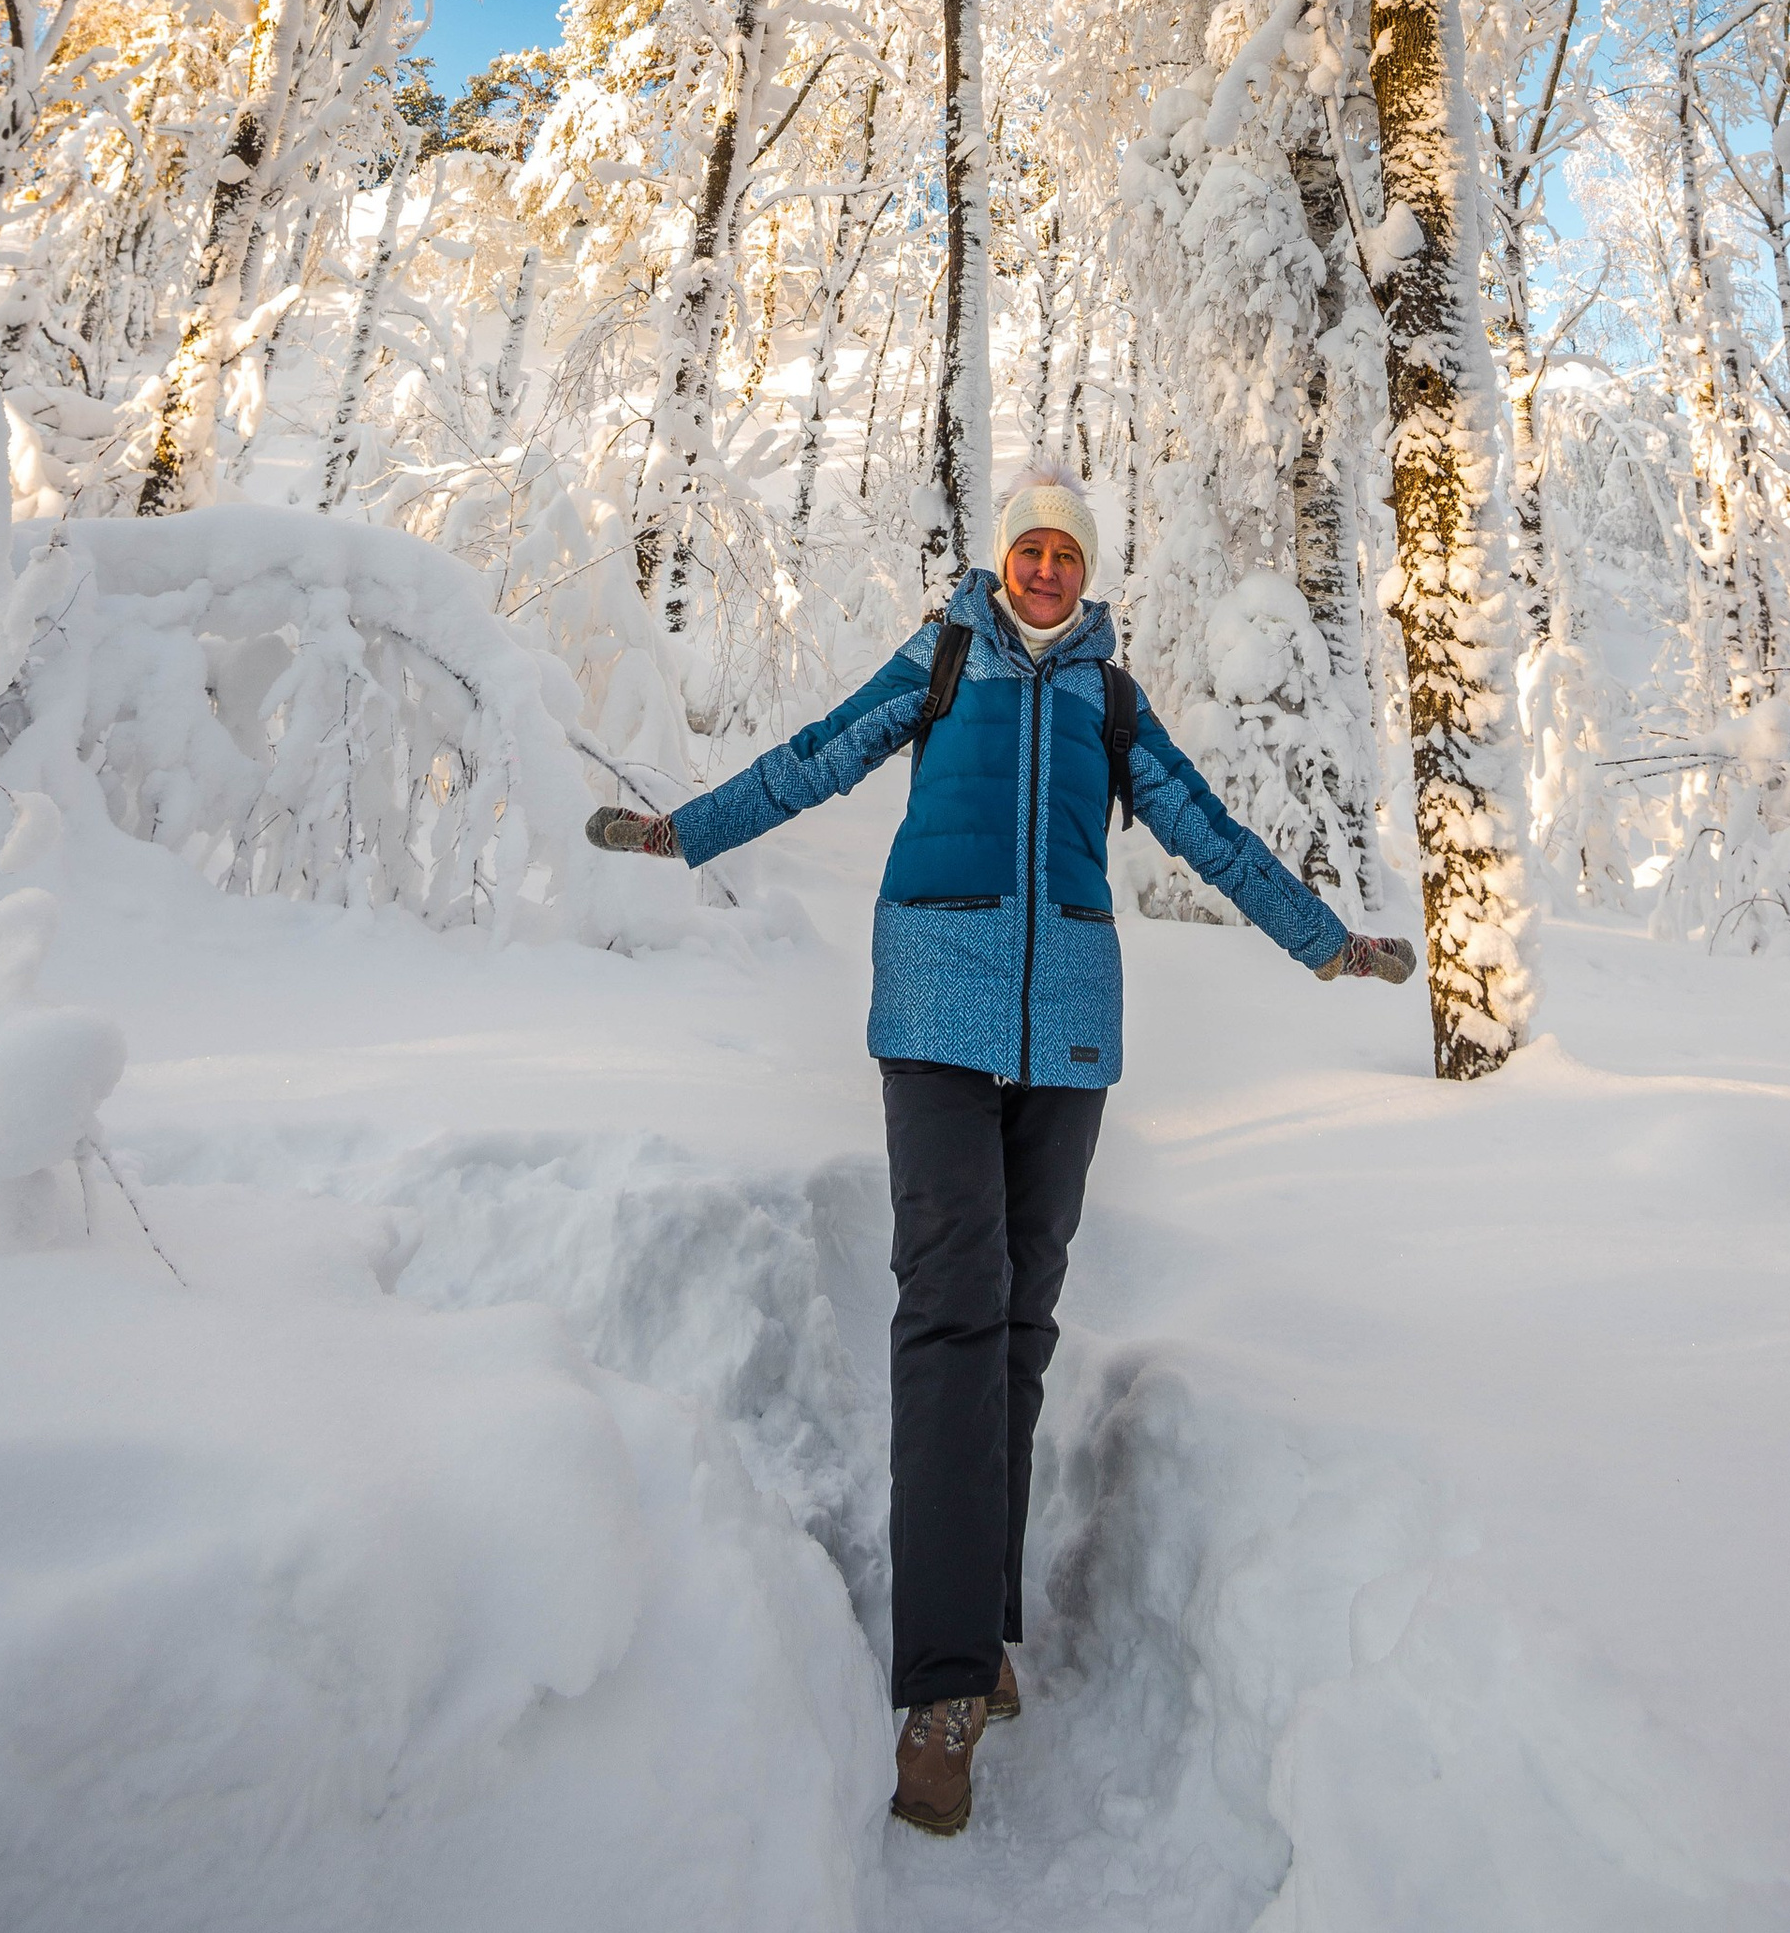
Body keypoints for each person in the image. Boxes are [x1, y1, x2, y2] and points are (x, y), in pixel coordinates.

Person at [586, 463, 1413, 1838]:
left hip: (1070, 1038)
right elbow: (822, 749)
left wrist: (1324, 942)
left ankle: (989, 1625)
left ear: (1089, 576)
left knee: (1020, 1324)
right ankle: (945, 1687)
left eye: (1066, 557)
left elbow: (1206, 830)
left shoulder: (1112, 697)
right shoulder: (946, 655)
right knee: (953, 1312)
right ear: (1001, 560)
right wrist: (689, 831)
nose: (1045, 571)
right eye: (1029, 549)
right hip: (935, 1012)